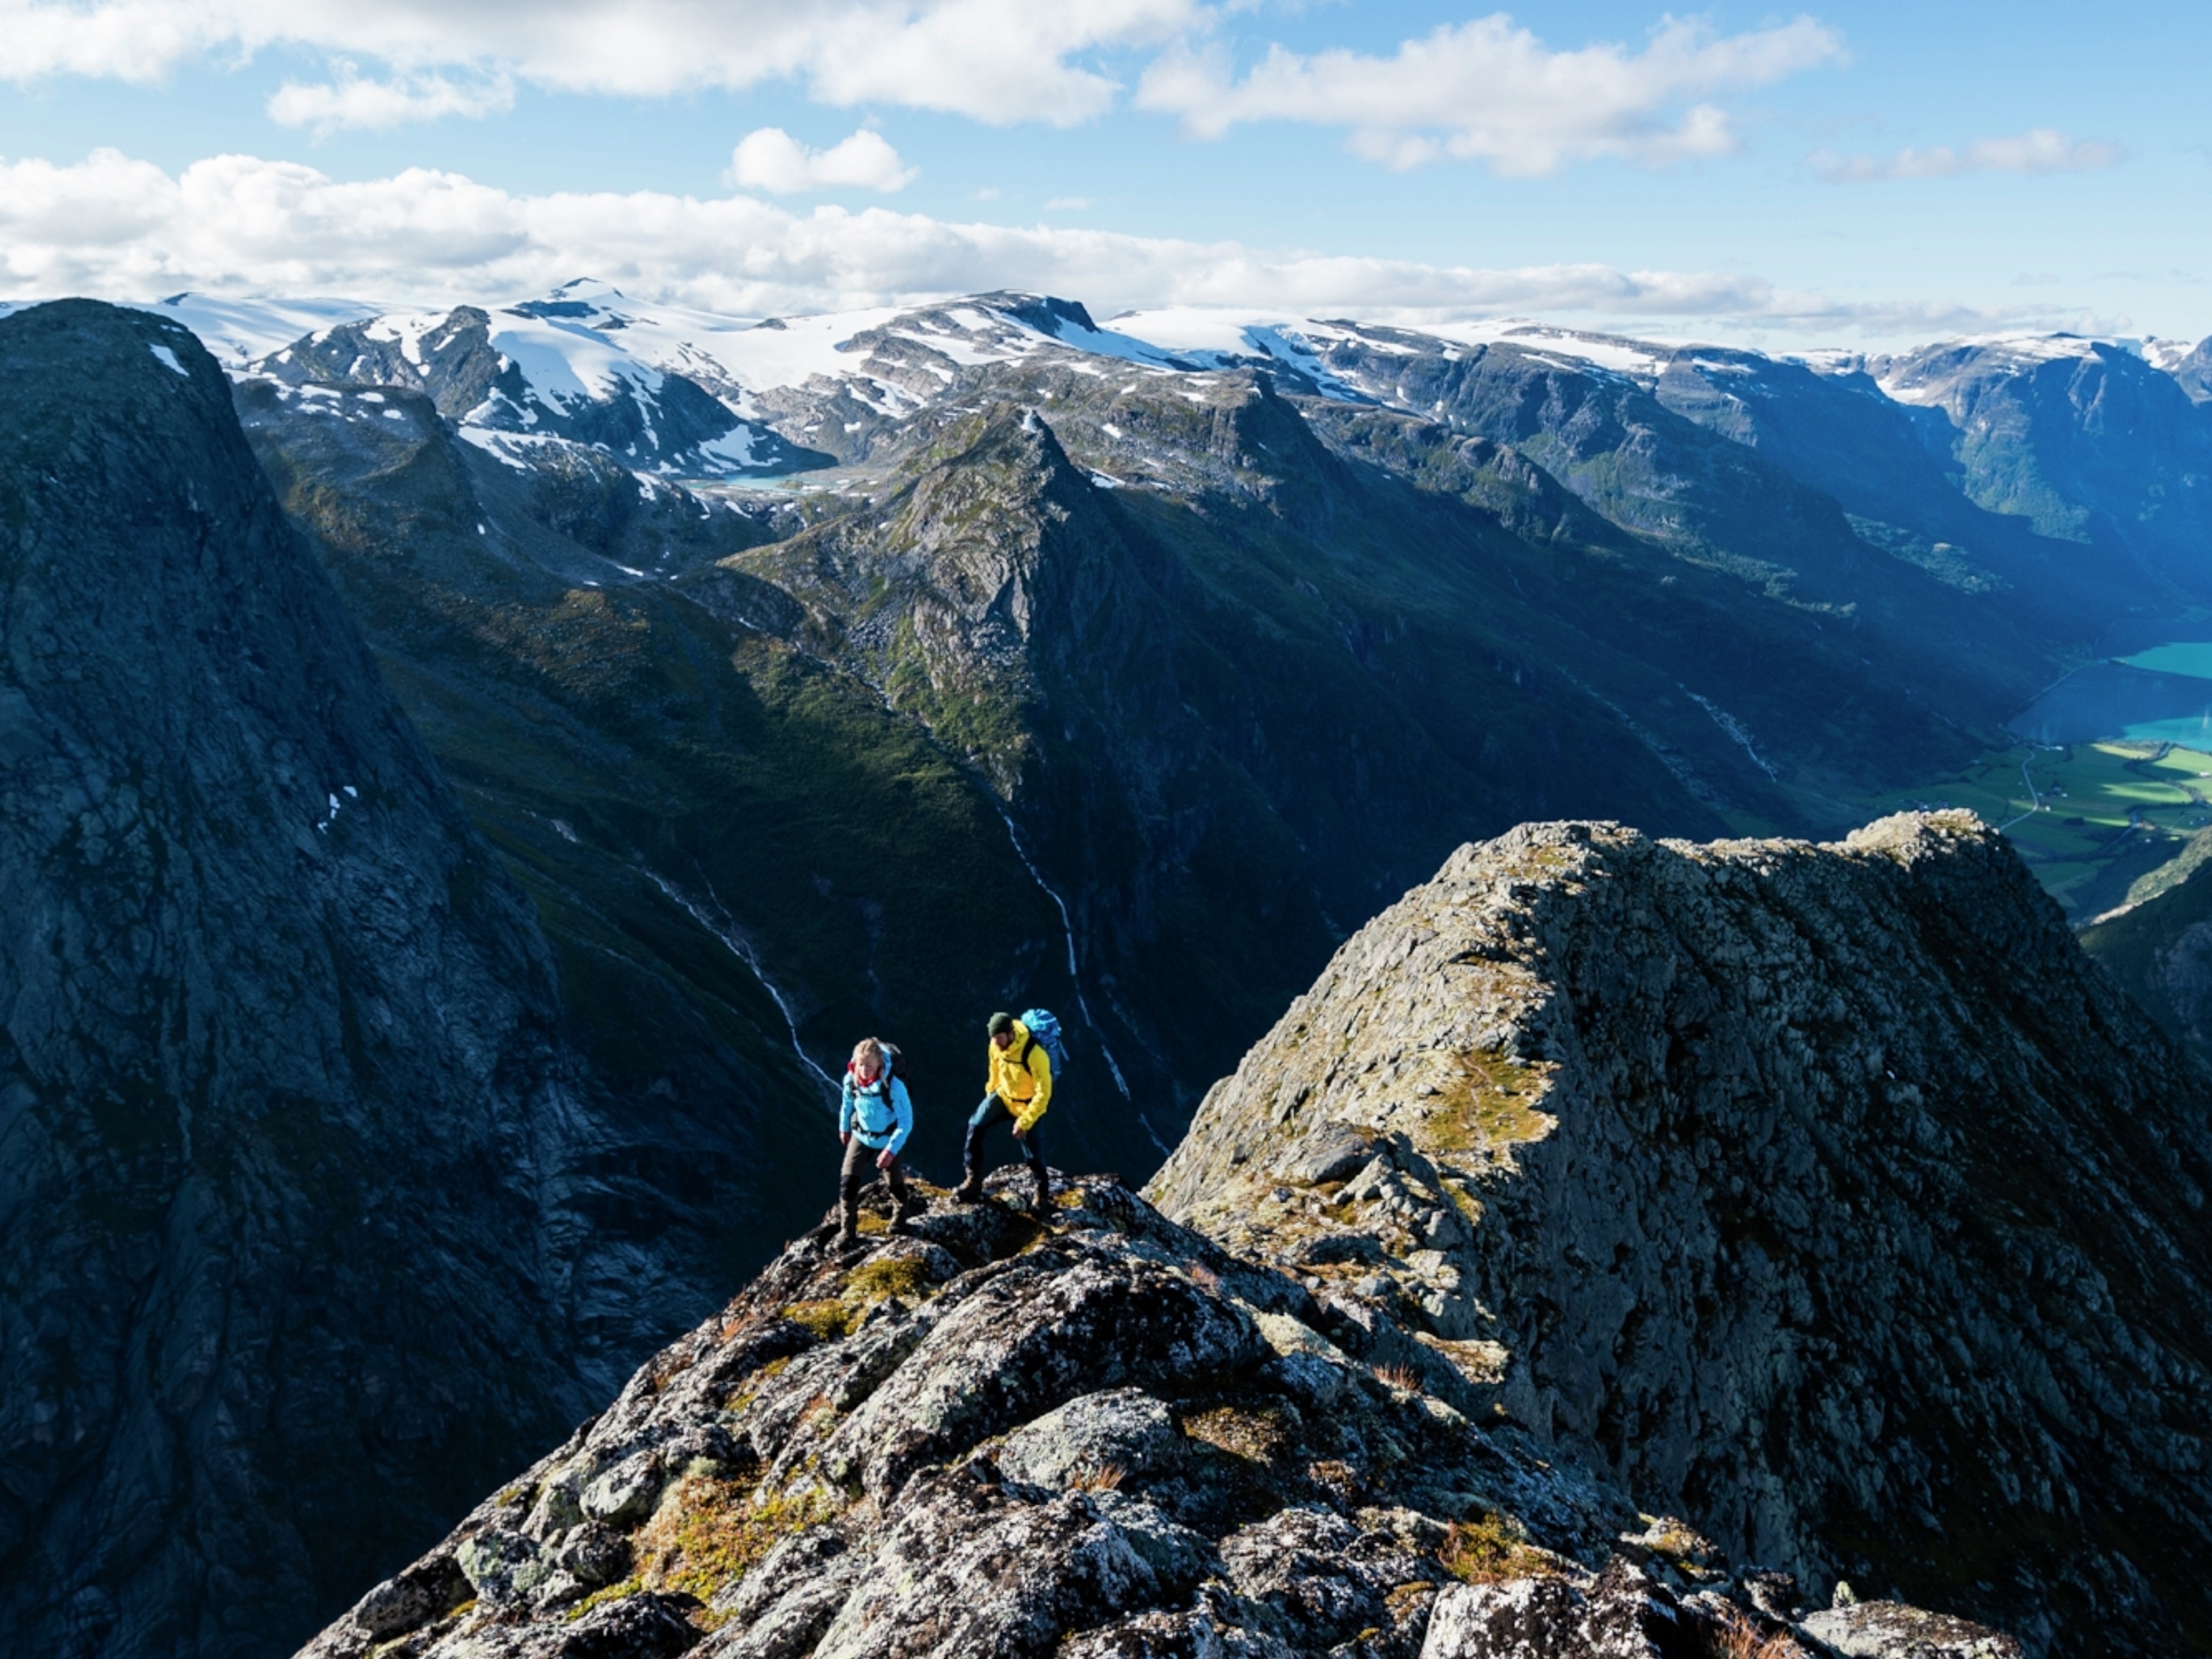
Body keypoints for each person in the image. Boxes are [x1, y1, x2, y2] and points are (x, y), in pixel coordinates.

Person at [955, 1011, 1052, 1219]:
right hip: (1004, 1096)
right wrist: (990, 1096)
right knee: (975, 1126)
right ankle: (973, 1181)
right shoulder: (995, 1045)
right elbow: (995, 1069)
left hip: (1028, 1105)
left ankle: (1042, 1195)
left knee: (1033, 1156)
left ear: (1011, 1034)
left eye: (1000, 1039)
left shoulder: (1035, 1054)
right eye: (994, 1039)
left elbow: (1044, 1094)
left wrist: (1025, 1121)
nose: (996, 1043)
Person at [837, 1037, 916, 1247]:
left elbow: (906, 1121)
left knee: (893, 1182)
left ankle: (900, 1219)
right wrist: (844, 1128)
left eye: (869, 1066)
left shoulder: (894, 1086)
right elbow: (846, 1104)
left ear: (880, 1065)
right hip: (862, 1136)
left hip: (888, 1139)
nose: (863, 1070)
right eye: (860, 1065)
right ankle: (848, 1233)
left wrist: (890, 1151)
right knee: (848, 1184)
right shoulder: (851, 1080)